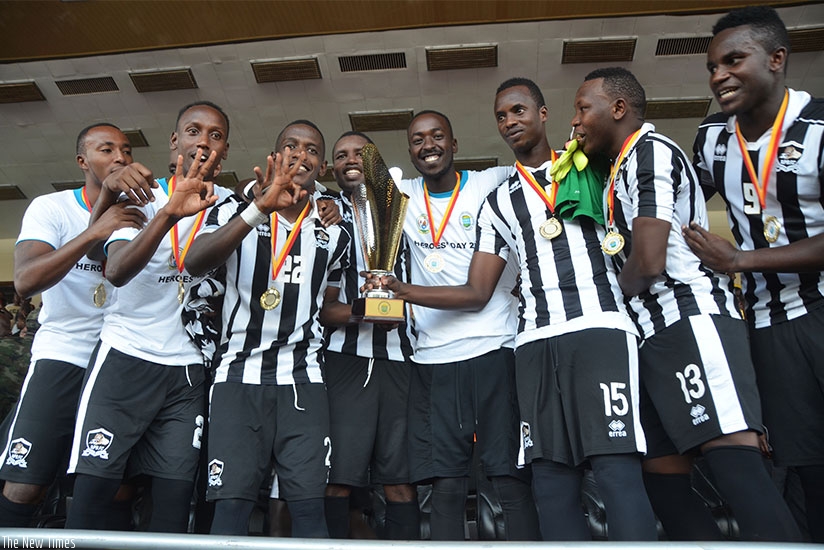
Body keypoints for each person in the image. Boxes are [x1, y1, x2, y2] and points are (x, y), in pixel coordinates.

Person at [369, 80, 658, 541]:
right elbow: (477, 286)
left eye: (518, 111)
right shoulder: (497, 201)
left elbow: (646, 194)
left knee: (614, 468)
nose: (510, 122)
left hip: (596, 329)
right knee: (548, 476)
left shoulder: (589, 167)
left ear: (544, 114)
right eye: (502, 116)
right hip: (531, 342)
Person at [572, 66, 801, 541]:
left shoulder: (650, 153)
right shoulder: (615, 170)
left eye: (582, 109)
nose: (575, 123)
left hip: (690, 320)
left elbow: (650, 261)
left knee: (735, 468)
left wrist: (612, 293)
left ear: (618, 109)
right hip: (650, 335)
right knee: (664, 482)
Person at [683, 5, 824, 542]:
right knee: (802, 466)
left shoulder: (819, 127)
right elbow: (682, 208)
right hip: (764, 325)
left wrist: (740, 260)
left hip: (819, 309)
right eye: (713, 66)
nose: (720, 75)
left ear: (777, 58)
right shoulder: (714, 136)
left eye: (734, 60)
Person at [65, 102, 228, 532]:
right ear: (175, 142)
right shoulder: (140, 193)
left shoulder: (232, 205)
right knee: (95, 491)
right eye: (193, 131)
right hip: (126, 355)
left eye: (215, 136)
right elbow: (116, 271)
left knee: (173, 499)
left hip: (188, 370)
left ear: (225, 151)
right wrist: (168, 212)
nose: (203, 143)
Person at [185, 120, 350, 538]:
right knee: (232, 511)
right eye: (291, 147)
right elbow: (196, 261)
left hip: (303, 381)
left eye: (312, 150)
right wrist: (258, 207)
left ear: (323, 165)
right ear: (275, 158)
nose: (301, 155)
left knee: (310, 512)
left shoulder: (336, 230)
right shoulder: (234, 209)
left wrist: (373, 307)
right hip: (237, 378)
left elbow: (327, 302)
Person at [383, 110, 538, 541]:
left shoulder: (490, 181)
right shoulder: (402, 194)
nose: (427, 145)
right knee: (445, 483)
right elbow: (354, 184)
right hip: (432, 357)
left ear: (454, 145)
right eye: (417, 139)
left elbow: (542, 161)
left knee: (508, 476)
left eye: (437, 136)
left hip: (494, 346)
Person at [0, 123, 147, 528]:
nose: (119, 157)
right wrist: (96, 231)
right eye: (106, 149)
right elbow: (26, 280)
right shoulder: (52, 207)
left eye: (126, 149)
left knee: (111, 487)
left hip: (120, 362)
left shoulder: (140, 213)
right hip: (64, 356)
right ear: (83, 161)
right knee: (24, 483)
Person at [318, 131, 420, 540]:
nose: (349, 160)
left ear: (375, 160)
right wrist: (366, 310)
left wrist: (400, 308)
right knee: (338, 478)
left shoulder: (403, 211)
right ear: (332, 169)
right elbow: (322, 310)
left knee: (400, 482)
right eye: (340, 155)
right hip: (346, 364)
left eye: (358, 152)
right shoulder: (323, 213)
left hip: (402, 363)